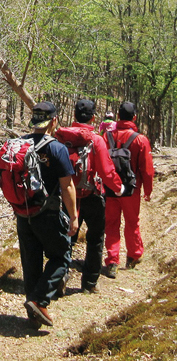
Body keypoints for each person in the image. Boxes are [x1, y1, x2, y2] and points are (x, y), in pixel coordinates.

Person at [16, 101, 78, 329]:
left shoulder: (19, 144)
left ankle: (33, 313)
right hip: (48, 213)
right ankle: (38, 301)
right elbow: (67, 186)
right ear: (54, 121)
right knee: (61, 257)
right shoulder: (56, 148)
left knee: (30, 262)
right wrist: (73, 216)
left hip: (23, 213)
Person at [61, 99, 123, 293]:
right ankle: (89, 283)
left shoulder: (62, 137)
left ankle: (60, 276)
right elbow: (106, 169)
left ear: (74, 116)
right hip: (93, 194)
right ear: (94, 118)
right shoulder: (96, 140)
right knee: (95, 238)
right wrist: (118, 188)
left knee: (65, 238)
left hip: (67, 195)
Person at [103, 101, 154, 278]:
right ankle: (133, 256)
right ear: (134, 117)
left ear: (117, 117)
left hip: (110, 188)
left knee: (111, 224)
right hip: (132, 190)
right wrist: (148, 190)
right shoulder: (140, 139)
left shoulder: (106, 137)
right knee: (132, 223)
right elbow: (146, 170)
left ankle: (112, 261)